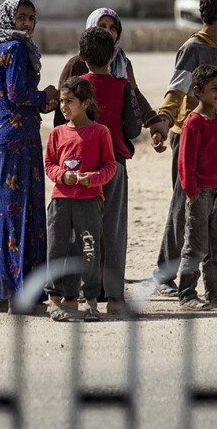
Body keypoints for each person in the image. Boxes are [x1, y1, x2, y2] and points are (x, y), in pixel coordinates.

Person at [151, 0, 217, 297]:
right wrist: (163, 123)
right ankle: (165, 275)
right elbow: (176, 92)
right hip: (189, 136)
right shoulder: (192, 49)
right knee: (185, 206)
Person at [0, 0, 59, 313]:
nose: (26, 24)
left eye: (30, 18)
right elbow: (17, 93)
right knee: (21, 213)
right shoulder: (15, 48)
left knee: (1, 215)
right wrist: (47, 96)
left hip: (0, 139)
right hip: (18, 141)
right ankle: (21, 295)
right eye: (21, 17)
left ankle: (1, 294)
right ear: (9, 19)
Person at [77, 26, 142, 313]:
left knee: (83, 230)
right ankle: (115, 297)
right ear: (114, 54)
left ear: (81, 56)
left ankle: (85, 292)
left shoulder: (75, 86)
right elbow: (134, 127)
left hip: (81, 168)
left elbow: (60, 124)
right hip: (114, 165)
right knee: (114, 230)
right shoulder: (122, 86)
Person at [44, 76, 116, 321]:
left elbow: (110, 166)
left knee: (89, 251)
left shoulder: (99, 132)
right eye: (62, 101)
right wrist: (64, 176)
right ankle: (54, 300)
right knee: (56, 250)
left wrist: (92, 178)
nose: (63, 106)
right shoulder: (56, 133)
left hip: (89, 202)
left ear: (85, 103)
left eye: (69, 101)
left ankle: (92, 301)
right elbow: (49, 165)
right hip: (60, 201)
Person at [55, 7, 169, 148]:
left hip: (113, 144)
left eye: (112, 28)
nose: (107, 32)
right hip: (81, 145)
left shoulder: (123, 63)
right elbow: (61, 104)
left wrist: (154, 121)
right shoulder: (77, 64)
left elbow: (134, 96)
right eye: (102, 26)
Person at [176, 65, 217, 310]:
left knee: (216, 247)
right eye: (214, 89)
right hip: (200, 194)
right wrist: (191, 192)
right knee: (195, 247)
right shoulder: (193, 123)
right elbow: (185, 162)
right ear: (198, 91)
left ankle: (214, 292)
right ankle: (187, 295)